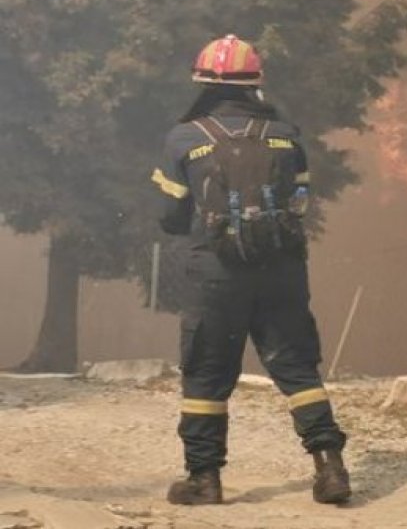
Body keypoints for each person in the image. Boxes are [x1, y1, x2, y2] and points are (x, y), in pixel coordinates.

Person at [150, 34, 351, 505]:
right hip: (281, 270)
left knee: (205, 375)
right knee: (297, 369)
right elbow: (299, 202)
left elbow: (170, 217)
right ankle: (330, 466)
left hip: (214, 275)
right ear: (255, 83)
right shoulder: (286, 134)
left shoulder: (183, 138)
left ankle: (204, 478)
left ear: (201, 81)